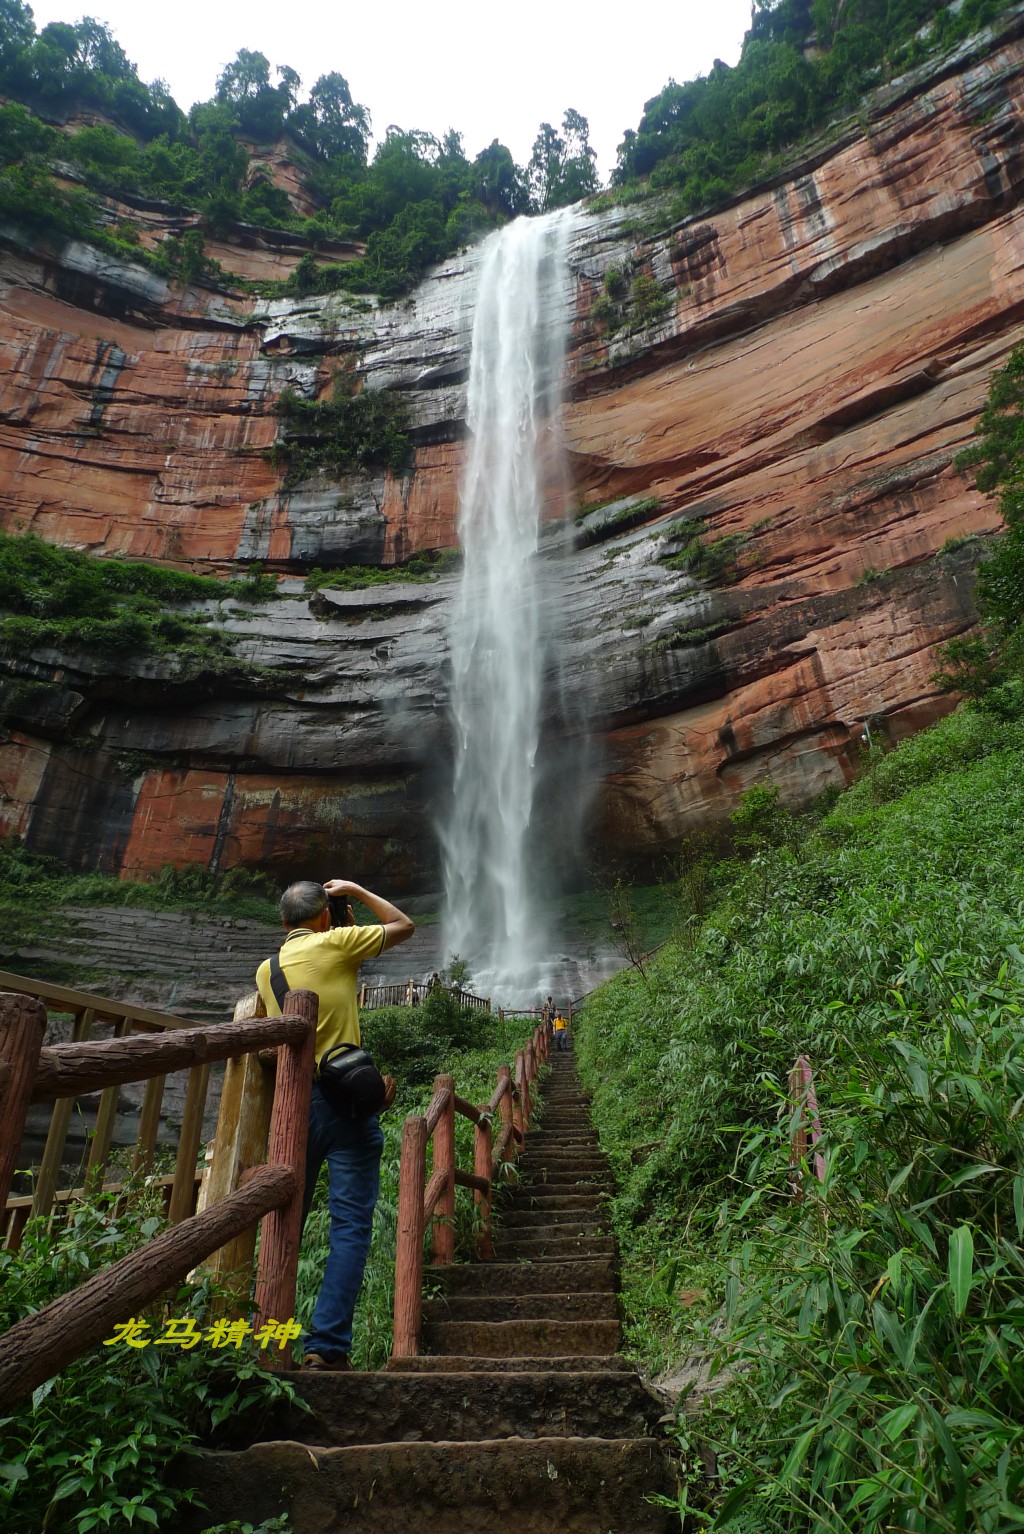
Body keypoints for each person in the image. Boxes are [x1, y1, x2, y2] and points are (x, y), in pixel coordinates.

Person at [256, 877, 414, 1372]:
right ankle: (326, 1348)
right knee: (349, 1228)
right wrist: (359, 891)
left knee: (284, 1220)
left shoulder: (266, 970)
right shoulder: (338, 942)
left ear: (283, 923)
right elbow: (403, 925)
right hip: (347, 1104)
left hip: (296, 1106)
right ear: (325, 915)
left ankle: (266, 1343)